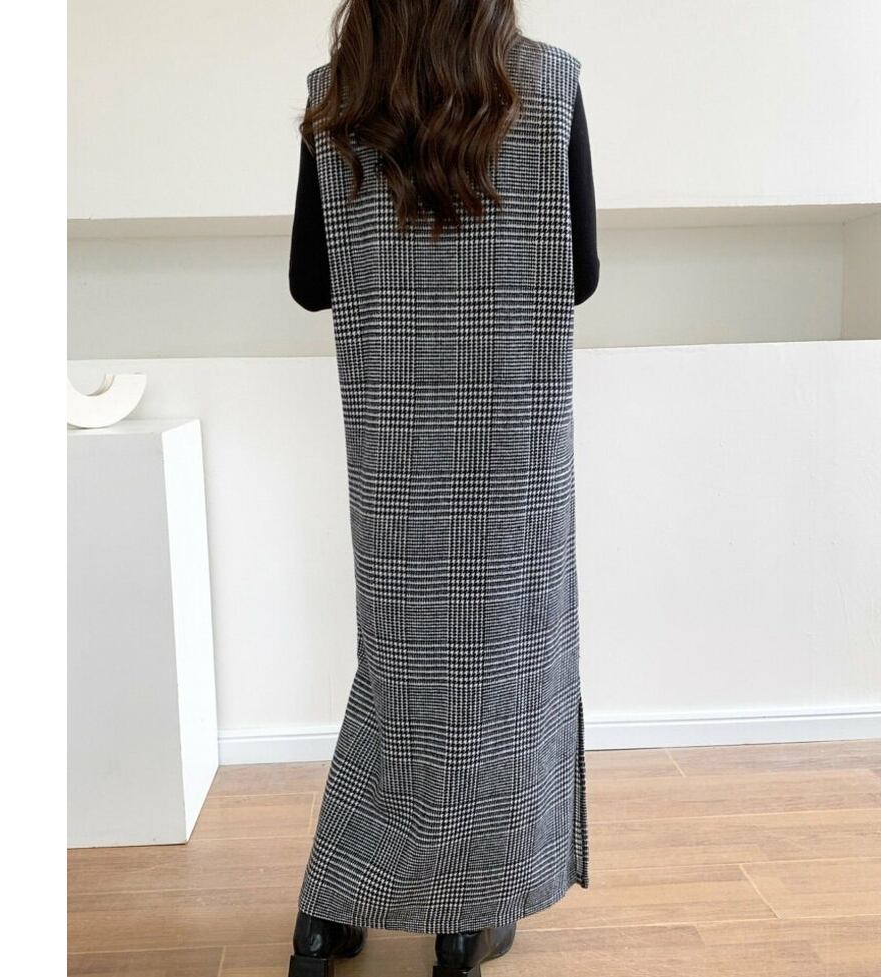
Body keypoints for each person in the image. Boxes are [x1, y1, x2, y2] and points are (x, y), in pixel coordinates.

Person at [286, 2, 599, 975]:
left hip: (396, 452)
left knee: (401, 686)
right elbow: (580, 273)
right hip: (513, 450)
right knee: (509, 679)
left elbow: (309, 282)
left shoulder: (338, 100)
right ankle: (464, 919)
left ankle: (329, 909)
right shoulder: (548, 86)